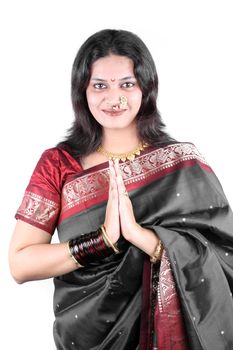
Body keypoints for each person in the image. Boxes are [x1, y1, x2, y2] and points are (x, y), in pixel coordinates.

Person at [9, 29, 233, 350]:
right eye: (100, 85)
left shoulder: (181, 161)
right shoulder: (58, 164)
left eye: (127, 84)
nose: (114, 98)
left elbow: (224, 256)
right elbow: (20, 264)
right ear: (81, 91)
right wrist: (101, 241)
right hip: (87, 335)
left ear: (146, 87)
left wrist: (143, 237)